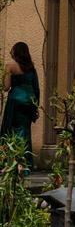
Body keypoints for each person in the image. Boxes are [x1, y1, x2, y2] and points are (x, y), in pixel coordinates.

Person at [1, 42, 40, 172]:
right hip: (29, 102)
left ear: (15, 52)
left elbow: (6, 87)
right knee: (25, 130)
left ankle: (11, 162)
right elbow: (36, 88)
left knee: (11, 130)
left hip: (15, 102)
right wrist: (35, 107)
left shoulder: (10, 66)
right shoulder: (31, 68)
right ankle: (25, 164)